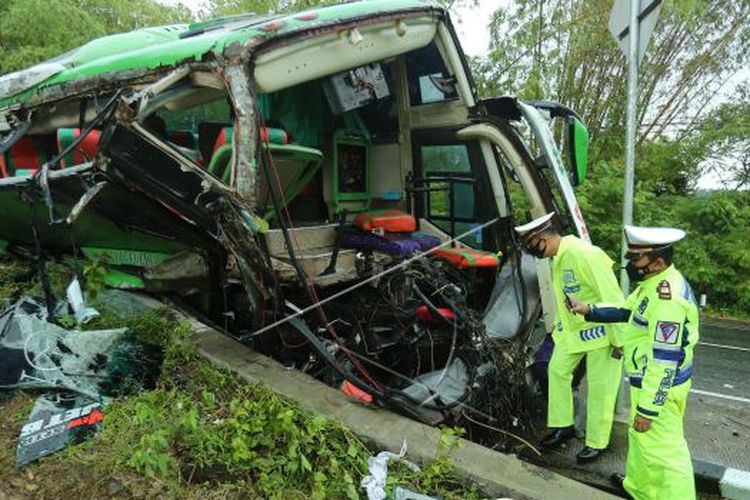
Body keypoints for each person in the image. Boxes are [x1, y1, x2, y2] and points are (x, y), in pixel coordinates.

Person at [569, 225, 698, 500]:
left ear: (658, 262)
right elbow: (627, 311)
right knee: (641, 441)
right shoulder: (651, 286)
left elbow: (665, 361)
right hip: (645, 380)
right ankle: (638, 489)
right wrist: (589, 309)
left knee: (666, 453)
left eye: (636, 258)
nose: (630, 263)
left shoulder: (668, 300)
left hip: (660, 388)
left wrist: (649, 409)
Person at [515, 213, 624, 463]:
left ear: (543, 238)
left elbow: (613, 297)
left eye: (534, 247)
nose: (535, 254)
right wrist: (559, 330)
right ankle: (563, 426)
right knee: (556, 371)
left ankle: (597, 442)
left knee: (600, 388)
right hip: (574, 332)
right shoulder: (558, 257)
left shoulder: (585, 255)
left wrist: (619, 341)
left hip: (602, 332)